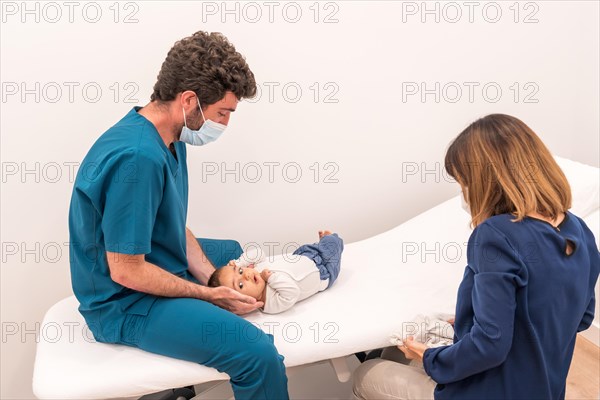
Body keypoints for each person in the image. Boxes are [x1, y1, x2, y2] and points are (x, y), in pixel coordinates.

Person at [68, 31, 289, 399]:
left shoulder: (167, 134)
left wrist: (210, 275)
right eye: (223, 113)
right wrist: (207, 294)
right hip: (124, 303)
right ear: (189, 100)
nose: (225, 124)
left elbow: (168, 218)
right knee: (260, 356)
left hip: (145, 263)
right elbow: (126, 270)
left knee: (228, 252)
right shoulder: (138, 158)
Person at [352, 114, 600, 399]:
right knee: (391, 355)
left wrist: (429, 357)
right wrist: (475, 319)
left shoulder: (496, 235)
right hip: (545, 390)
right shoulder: (578, 229)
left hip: (490, 392)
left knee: (366, 373)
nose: (464, 194)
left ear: (487, 181)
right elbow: (581, 318)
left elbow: (490, 347)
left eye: (463, 183)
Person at [208, 230, 344, 314]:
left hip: (302, 256)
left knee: (311, 247)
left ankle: (322, 244)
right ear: (244, 302)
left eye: (240, 271)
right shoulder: (270, 303)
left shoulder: (256, 271)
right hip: (322, 273)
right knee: (334, 244)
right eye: (241, 285)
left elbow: (259, 253)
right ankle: (329, 240)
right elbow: (292, 292)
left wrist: (239, 262)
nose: (246, 275)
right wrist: (270, 278)